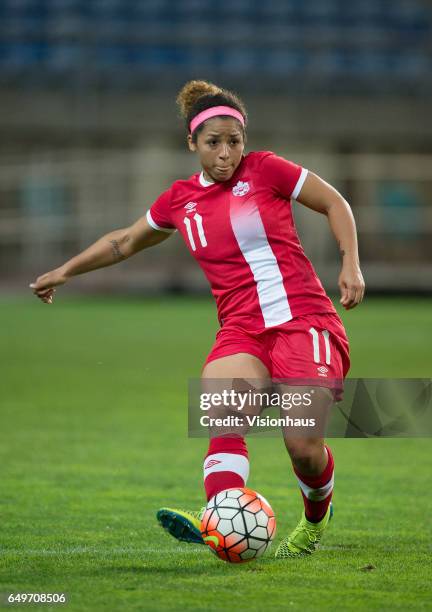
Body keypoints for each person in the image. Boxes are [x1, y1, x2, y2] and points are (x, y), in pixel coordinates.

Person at [30, 80, 365, 559]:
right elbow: (123, 241)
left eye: (234, 141)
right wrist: (64, 271)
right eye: (213, 143)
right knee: (223, 415)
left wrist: (350, 262)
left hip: (304, 321)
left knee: (302, 447)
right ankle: (220, 521)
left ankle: (316, 515)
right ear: (192, 144)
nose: (226, 153)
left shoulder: (266, 170)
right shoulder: (179, 200)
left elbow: (335, 202)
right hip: (241, 332)